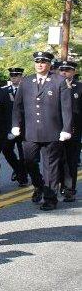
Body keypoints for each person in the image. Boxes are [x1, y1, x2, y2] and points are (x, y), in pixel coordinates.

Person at [11, 51, 72, 210]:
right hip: (30, 132)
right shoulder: (26, 81)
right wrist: (15, 124)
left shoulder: (59, 81)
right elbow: (17, 106)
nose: (40, 64)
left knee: (50, 166)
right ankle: (39, 185)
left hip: (52, 131)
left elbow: (66, 108)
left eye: (43, 62)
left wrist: (66, 129)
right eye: (37, 61)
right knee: (29, 161)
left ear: (49, 64)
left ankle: (50, 198)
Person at [58, 60, 81, 202]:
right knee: (57, 160)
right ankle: (57, 186)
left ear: (73, 72)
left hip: (74, 130)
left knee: (71, 161)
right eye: (62, 70)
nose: (64, 73)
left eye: (67, 70)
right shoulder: (54, 86)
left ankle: (69, 189)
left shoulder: (79, 87)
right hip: (56, 129)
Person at [2, 67, 29, 186]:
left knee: (24, 155)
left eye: (16, 76)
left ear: (21, 77)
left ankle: (22, 178)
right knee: (7, 150)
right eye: (12, 76)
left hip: (25, 127)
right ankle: (18, 169)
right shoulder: (4, 91)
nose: (14, 78)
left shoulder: (27, 90)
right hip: (9, 128)